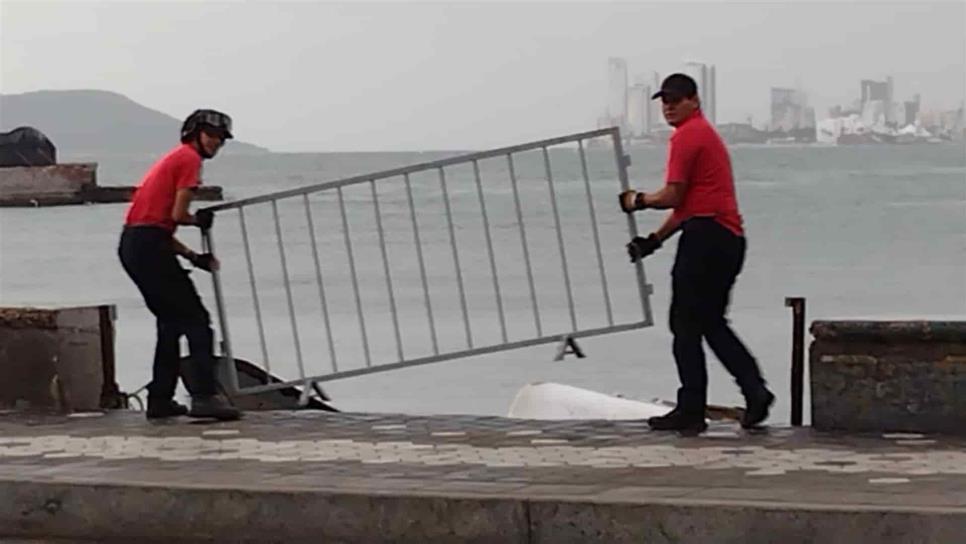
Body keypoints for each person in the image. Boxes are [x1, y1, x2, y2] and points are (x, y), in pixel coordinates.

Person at [619, 74, 774, 433]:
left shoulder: (688, 136)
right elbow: (689, 207)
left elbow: (673, 197)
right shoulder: (702, 133)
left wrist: (637, 200)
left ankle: (692, 409)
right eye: (663, 101)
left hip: (707, 238)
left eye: (675, 99)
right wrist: (654, 241)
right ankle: (754, 391)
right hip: (725, 237)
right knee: (710, 322)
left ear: (694, 100)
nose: (668, 107)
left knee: (685, 324)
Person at [118, 109, 241, 421]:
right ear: (195, 133)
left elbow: (156, 226)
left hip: (136, 245)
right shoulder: (189, 160)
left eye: (221, 140)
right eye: (212, 136)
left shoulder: (174, 158)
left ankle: (160, 399)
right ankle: (204, 397)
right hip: (149, 246)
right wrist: (197, 218)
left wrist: (192, 257)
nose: (216, 143)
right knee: (198, 322)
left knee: (170, 324)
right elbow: (176, 215)